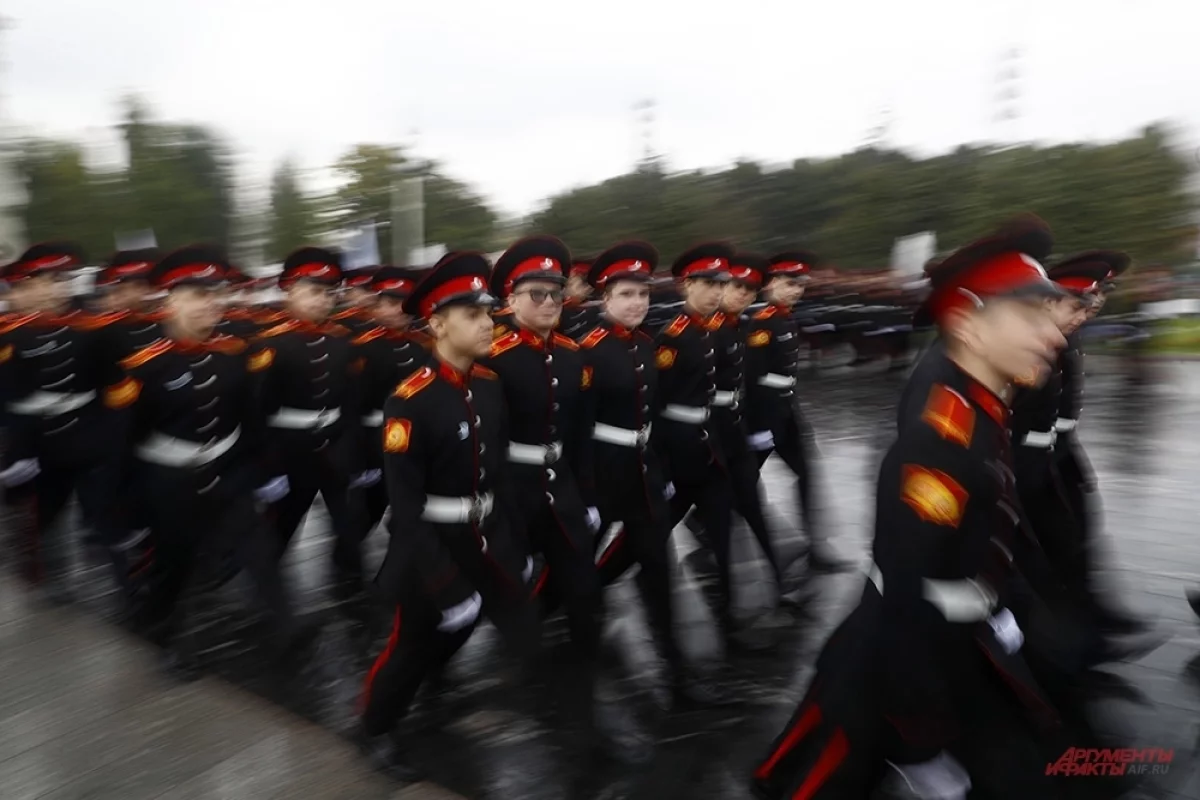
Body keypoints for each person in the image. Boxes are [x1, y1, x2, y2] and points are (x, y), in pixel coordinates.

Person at [752, 216, 1068, 799]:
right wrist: (921, 740)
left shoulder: (982, 407)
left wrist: (1001, 605)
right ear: (968, 325)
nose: (1053, 335)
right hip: (899, 663)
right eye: (1030, 315)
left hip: (953, 645)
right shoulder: (942, 442)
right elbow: (907, 595)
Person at [357, 251, 536, 781]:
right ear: (437, 324)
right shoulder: (409, 401)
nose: (487, 324)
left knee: (477, 621)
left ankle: (437, 678)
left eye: (488, 314)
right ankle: (375, 728)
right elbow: (405, 506)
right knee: (410, 643)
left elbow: (498, 471)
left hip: (482, 530)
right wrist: (441, 579)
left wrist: (515, 541)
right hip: (430, 540)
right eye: (473, 315)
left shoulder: (489, 384)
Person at [102, 245, 317, 680]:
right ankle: (167, 636)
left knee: (258, 548)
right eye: (199, 295)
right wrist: (124, 511)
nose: (212, 304)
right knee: (176, 564)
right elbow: (123, 442)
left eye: (215, 294)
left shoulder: (232, 353)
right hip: (170, 480)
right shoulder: (143, 366)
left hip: (228, 472)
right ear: (171, 301)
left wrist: (264, 471)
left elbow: (250, 419)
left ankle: (288, 628)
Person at [581, 241, 725, 708]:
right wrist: (582, 490)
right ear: (605, 298)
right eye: (626, 294)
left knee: (659, 572)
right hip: (602, 473)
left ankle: (677, 677)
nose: (637, 303)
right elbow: (575, 427)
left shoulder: (646, 345)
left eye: (643, 294)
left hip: (643, 475)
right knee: (575, 569)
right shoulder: (589, 351)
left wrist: (661, 469)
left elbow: (654, 416)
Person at [0, 243, 127, 604]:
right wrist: (16, 453)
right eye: (48, 281)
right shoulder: (10, 335)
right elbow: (10, 398)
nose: (58, 288)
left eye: (63, 279)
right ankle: (47, 582)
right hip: (39, 445)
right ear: (28, 285)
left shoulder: (93, 328)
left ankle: (132, 590)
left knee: (106, 516)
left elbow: (114, 386)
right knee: (43, 518)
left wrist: (112, 436)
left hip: (88, 438)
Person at [249, 247, 367, 605]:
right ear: (290, 291)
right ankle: (264, 592)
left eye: (329, 293)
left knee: (348, 522)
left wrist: (352, 449)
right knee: (283, 524)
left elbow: (351, 401)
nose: (323, 300)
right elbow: (257, 410)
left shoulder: (342, 340)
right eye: (314, 291)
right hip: (290, 449)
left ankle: (355, 589)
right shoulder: (270, 343)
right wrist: (267, 468)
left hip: (333, 445)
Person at [744, 252, 850, 572]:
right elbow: (753, 379)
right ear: (770, 284)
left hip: (787, 411)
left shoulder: (787, 318)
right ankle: (700, 520)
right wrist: (760, 427)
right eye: (790, 284)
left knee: (806, 472)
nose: (796, 291)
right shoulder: (762, 323)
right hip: (765, 416)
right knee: (741, 480)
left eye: (800, 285)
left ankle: (816, 546)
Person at [351, 266, 430, 540]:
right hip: (376, 438)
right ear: (377, 306)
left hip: (416, 438)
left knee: (409, 505)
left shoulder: (423, 345)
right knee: (369, 508)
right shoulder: (362, 347)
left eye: (403, 304)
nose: (397, 310)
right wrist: (358, 458)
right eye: (390, 303)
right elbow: (354, 405)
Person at [559, 259, 600, 340]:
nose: (564, 290)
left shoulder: (600, 312)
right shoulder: (560, 311)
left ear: (587, 288)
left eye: (570, 284)